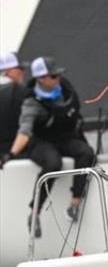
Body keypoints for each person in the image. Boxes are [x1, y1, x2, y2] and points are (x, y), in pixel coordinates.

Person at [4, 56, 96, 237]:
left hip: (64, 138)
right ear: (41, 79)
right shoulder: (31, 102)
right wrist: (11, 154)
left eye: (58, 75)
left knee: (86, 153)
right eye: (53, 76)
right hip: (40, 142)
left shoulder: (64, 90)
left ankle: (74, 204)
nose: (58, 79)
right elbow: (24, 131)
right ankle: (35, 213)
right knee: (53, 163)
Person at [0, 52, 29, 156]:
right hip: (16, 152)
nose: (23, 72)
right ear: (8, 71)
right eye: (20, 69)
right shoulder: (19, 91)